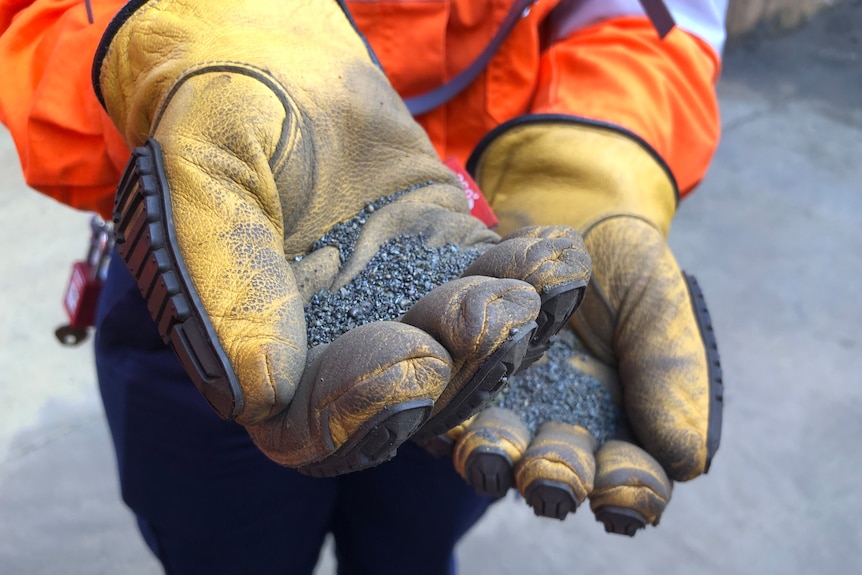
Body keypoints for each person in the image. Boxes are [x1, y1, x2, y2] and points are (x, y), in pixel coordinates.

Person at [0, 0, 725, 573]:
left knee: (411, 548)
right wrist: (180, 53)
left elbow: (642, 16)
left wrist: (589, 151)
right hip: (213, 232)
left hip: (483, 267)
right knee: (220, 548)